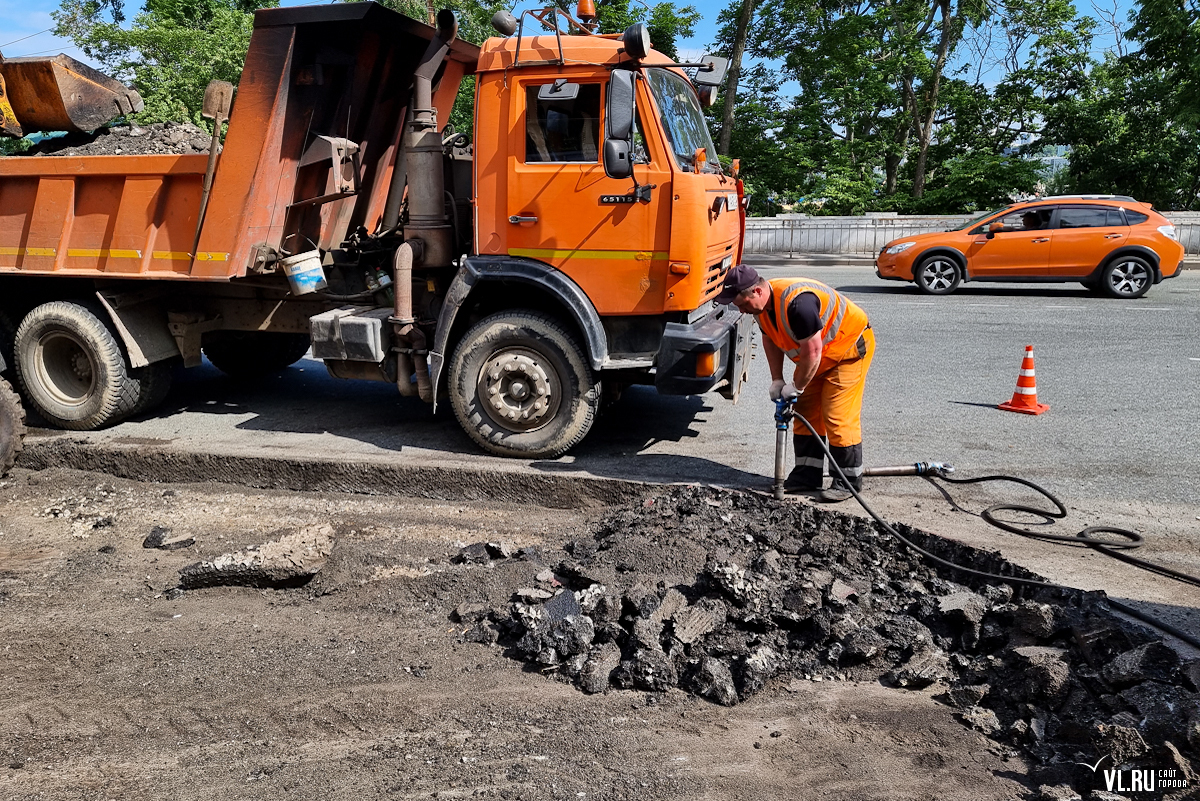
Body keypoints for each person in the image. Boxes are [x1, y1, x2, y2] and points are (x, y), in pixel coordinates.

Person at [716, 264, 874, 502]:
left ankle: (848, 481)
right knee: (805, 410)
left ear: (757, 292)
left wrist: (797, 387)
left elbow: (812, 351)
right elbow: (770, 338)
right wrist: (777, 379)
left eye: (742, 304)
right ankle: (807, 476)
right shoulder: (761, 307)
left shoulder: (798, 304)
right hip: (818, 357)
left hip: (847, 351)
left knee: (837, 415)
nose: (741, 310)